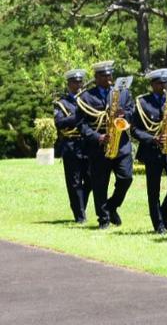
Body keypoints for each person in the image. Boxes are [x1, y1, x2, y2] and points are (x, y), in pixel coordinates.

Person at [77, 61, 134, 229]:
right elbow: (81, 124)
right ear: (96, 77)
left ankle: (111, 206)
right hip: (99, 147)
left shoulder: (123, 93)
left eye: (110, 75)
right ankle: (103, 218)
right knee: (99, 184)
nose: (108, 78)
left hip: (121, 144)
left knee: (126, 178)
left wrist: (124, 114)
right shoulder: (86, 97)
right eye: (104, 76)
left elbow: (132, 112)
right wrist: (97, 137)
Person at [131, 68, 167, 234]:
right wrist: (152, 138)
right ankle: (158, 224)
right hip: (153, 151)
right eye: (160, 83)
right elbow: (134, 129)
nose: (163, 86)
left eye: (165, 83)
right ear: (152, 84)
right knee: (153, 190)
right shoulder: (142, 103)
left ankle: (165, 215)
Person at [54, 68, 90, 224]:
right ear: (68, 84)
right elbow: (59, 123)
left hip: (87, 144)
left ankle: (80, 205)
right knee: (74, 182)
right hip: (71, 144)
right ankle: (79, 215)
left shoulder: (87, 99)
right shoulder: (61, 103)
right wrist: (77, 117)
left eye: (80, 82)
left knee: (90, 178)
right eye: (75, 82)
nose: (78, 85)